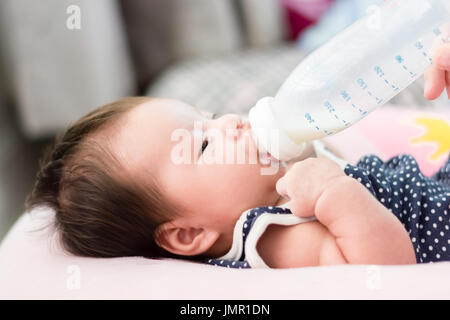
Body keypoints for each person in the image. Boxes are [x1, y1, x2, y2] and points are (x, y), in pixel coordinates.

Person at [25, 44, 450, 269]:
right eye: (205, 144)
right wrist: (334, 193)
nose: (228, 122)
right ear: (189, 235)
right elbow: (386, 269)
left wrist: (308, 151)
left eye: (208, 117)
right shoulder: (272, 237)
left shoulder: (275, 190)